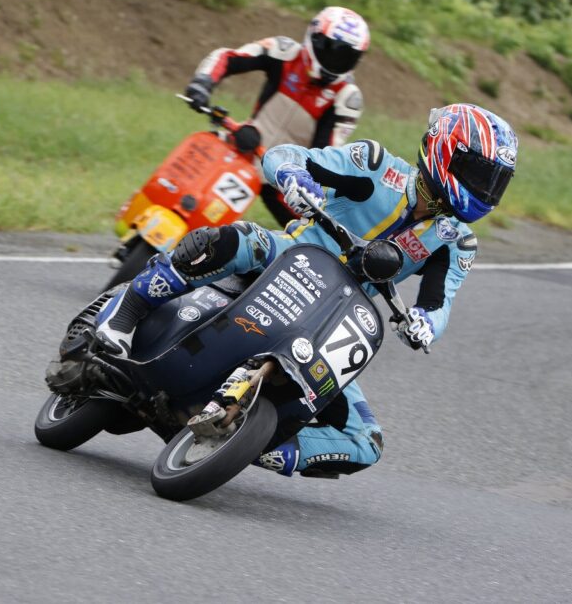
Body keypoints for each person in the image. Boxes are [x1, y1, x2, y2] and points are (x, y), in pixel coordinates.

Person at [95, 103, 519, 479]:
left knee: (366, 441)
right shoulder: (374, 166)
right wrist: (293, 175)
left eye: (494, 181)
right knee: (231, 240)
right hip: (289, 256)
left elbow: (439, 303)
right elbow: (284, 156)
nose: (484, 189)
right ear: (444, 151)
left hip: (337, 318)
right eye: (479, 175)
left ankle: (256, 446)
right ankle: (127, 310)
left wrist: (425, 323)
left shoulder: (456, 241)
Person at [184, 6, 370, 226]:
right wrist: (203, 83)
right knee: (185, 183)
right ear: (315, 38)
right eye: (332, 50)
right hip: (243, 144)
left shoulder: (347, 98)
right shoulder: (284, 51)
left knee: (313, 235)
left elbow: (323, 157)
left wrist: (289, 172)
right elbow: (228, 57)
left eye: (346, 57)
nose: (336, 60)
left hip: (287, 179)